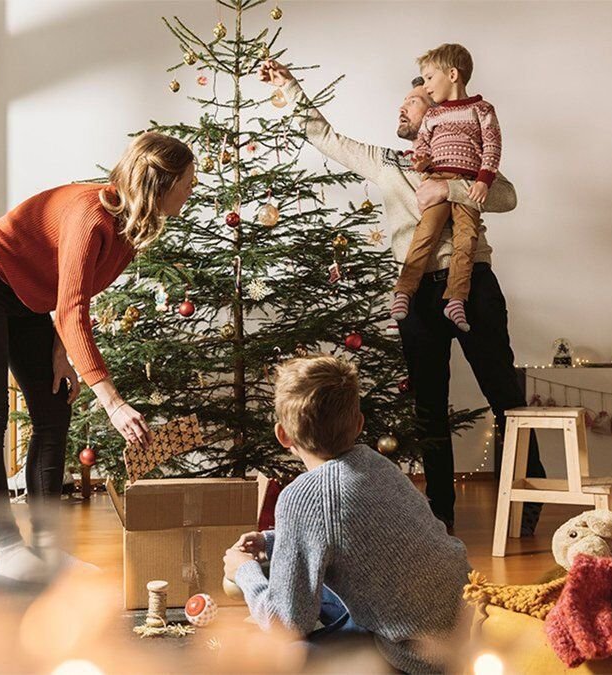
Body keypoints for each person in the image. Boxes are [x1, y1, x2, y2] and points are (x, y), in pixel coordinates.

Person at [258, 59, 544, 534]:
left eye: (414, 103)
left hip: (473, 283)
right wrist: (289, 86)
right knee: (429, 404)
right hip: (416, 295)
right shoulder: (385, 161)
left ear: (438, 116)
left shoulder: (473, 164)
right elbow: (326, 136)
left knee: (505, 394)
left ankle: (529, 504)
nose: (403, 109)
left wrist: (449, 185)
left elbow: (507, 196)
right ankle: (441, 514)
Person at [0, 132, 194, 581]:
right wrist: (113, 402)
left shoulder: (131, 229)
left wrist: (62, 353)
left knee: (54, 408)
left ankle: (46, 547)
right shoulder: (91, 213)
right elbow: (72, 308)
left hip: (28, 304)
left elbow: (75, 293)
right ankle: (6, 548)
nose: (192, 190)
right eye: (188, 182)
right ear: (163, 181)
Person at [223, 356, 471, 674]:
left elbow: (287, 624)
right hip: (464, 625)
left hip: (418, 659)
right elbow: (351, 532)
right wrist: (273, 540)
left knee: (267, 653)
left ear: (283, 435)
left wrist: (244, 572)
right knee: (319, 585)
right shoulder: (377, 464)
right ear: (359, 424)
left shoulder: (301, 497)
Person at [393, 43, 502, 333]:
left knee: (466, 239)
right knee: (425, 232)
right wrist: (423, 164)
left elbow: (492, 146)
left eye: (429, 78)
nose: (427, 86)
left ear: (452, 74)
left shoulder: (481, 109)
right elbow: (424, 146)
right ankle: (404, 290)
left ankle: (456, 298)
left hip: (466, 184)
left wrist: (482, 181)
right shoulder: (432, 117)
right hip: (437, 176)